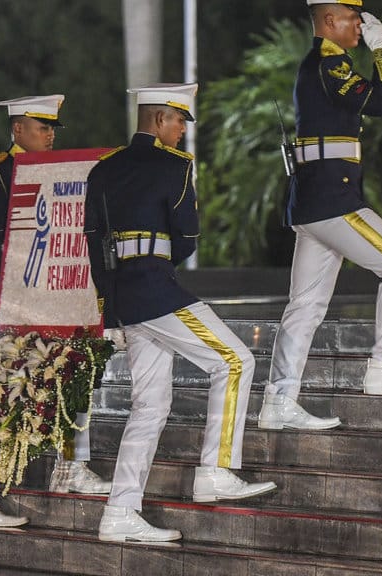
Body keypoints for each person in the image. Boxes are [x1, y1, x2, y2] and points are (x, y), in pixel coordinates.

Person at [84, 84, 276, 542]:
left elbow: (93, 242)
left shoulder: (103, 169)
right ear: (157, 120)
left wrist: (109, 313)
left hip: (123, 298)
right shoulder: (177, 166)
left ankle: (119, 513)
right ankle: (215, 471)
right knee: (234, 361)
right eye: (177, 122)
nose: (181, 133)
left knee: (149, 406)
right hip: (155, 286)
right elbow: (187, 236)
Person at [258, 0, 382, 432]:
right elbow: (379, 104)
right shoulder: (329, 63)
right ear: (329, 21)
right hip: (332, 199)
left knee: (304, 306)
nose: (360, 26)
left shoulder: (326, 65)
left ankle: (279, 399)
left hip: (315, 201)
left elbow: (372, 102)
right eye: (353, 18)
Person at [0, 95, 111, 529]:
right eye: (42, 127)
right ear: (18, 129)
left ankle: (70, 468)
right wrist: (10, 304)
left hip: (55, 301)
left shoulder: (58, 174)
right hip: (14, 307)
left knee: (74, 380)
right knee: (1, 398)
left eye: (53, 128)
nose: (50, 134)